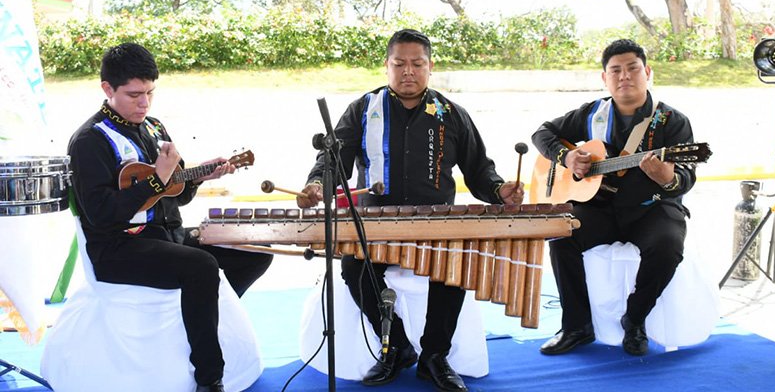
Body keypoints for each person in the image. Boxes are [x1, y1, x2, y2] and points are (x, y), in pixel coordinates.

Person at [297, 29, 524, 392]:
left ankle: (435, 355)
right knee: (354, 267)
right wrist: (316, 186)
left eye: (417, 64)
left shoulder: (451, 113)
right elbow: (331, 160)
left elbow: (479, 169)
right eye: (399, 63)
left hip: (436, 224)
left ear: (430, 67)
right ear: (386, 66)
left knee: (456, 265)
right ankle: (397, 347)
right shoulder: (362, 110)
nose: (408, 71)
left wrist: (500, 190)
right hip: (375, 224)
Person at [67, 43, 273, 392]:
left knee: (255, 248)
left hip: (166, 237)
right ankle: (210, 378)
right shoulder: (89, 141)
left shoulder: (155, 127)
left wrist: (198, 177)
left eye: (150, 93)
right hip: (117, 248)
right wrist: (156, 179)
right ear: (107, 89)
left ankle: (203, 313)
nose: (144, 104)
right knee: (201, 266)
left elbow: (175, 194)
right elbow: (102, 215)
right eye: (134, 95)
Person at [531, 39, 696, 356]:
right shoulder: (594, 113)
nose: (624, 77)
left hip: (653, 209)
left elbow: (686, 178)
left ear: (647, 72)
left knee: (668, 245)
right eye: (615, 71)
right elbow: (542, 133)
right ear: (604, 79)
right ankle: (576, 326)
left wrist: (668, 178)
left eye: (632, 68)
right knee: (561, 234)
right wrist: (566, 157)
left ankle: (635, 319)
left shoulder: (672, 122)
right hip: (601, 208)